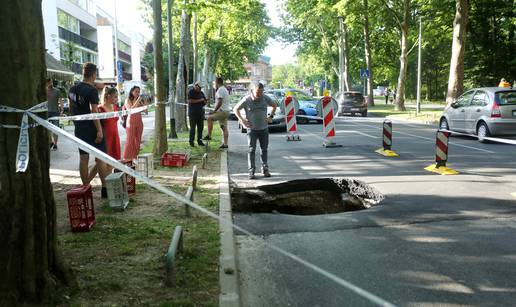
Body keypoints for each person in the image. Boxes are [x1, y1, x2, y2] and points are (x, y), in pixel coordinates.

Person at [68, 62, 109, 198]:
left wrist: (76, 124)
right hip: (92, 127)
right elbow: (94, 111)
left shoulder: (72, 89)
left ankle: (86, 189)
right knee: (101, 158)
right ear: (93, 74)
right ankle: (105, 189)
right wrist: (99, 130)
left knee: (83, 159)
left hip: (80, 128)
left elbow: (71, 109)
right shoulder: (92, 90)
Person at [233, 81, 277, 179]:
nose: (260, 94)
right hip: (252, 130)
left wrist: (271, 117)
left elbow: (274, 106)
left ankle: (265, 168)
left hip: (264, 129)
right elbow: (235, 109)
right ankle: (251, 170)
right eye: (258, 92)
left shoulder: (265, 98)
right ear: (252, 90)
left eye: (261, 92)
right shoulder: (246, 100)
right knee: (251, 150)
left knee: (264, 149)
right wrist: (242, 120)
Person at [203, 77, 230, 149]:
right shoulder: (224, 89)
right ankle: (225, 144)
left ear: (217, 82)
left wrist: (214, 111)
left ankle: (209, 135)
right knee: (224, 127)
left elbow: (220, 102)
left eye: (214, 83)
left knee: (209, 118)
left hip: (222, 111)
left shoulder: (220, 90)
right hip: (226, 111)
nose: (214, 85)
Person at [123, 86, 144, 161]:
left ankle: (135, 158)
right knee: (129, 141)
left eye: (138, 92)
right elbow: (130, 110)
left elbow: (146, 111)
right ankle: (127, 159)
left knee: (137, 141)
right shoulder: (127, 100)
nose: (137, 93)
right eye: (136, 91)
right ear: (132, 91)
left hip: (139, 122)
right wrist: (138, 100)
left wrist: (145, 104)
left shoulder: (139, 101)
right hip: (131, 122)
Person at [187, 81, 207, 147]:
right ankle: (191, 141)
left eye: (201, 88)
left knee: (200, 128)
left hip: (200, 113)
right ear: (196, 86)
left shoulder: (201, 93)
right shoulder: (191, 92)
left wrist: (205, 101)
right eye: (199, 87)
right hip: (193, 113)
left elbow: (203, 101)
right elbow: (190, 100)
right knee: (193, 128)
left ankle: (200, 141)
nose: (200, 89)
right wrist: (199, 100)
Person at [47, 78, 63, 150]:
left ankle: (55, 144)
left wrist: (62, 109)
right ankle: (51, 142)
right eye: (49, 82)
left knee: (55, 128)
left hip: (55, 112)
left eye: (51, 82)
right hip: (46, 112)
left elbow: (60, 100)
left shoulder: (57, 91)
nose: (50, 83)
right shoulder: (44, 91)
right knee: (47, 129)